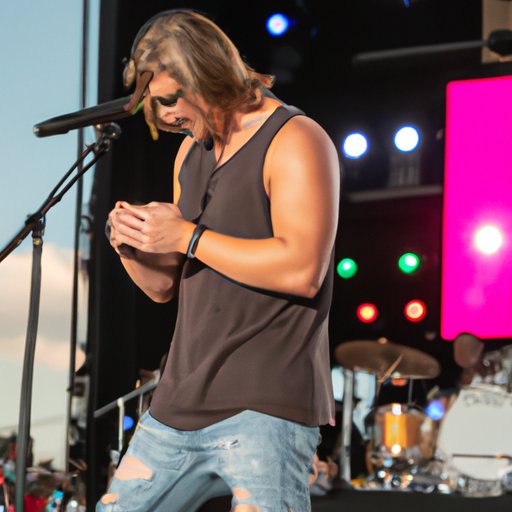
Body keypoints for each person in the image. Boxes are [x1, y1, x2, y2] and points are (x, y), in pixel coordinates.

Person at [98, 9, 339, 512]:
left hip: (265, 406)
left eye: (169, 99)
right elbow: (164, 287)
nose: (165, 116)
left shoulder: (295, 137)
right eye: (154, 104)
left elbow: (303, 270)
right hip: (176, 405)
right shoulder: (190, 153)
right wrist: (132, 244)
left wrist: (187, 235)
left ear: (205, 72)